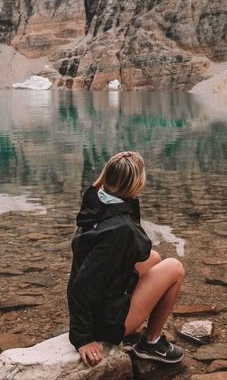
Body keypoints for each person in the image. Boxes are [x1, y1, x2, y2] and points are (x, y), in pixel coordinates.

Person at [67, 150, 185, 367]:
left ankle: (134, 321)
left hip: (101, 302)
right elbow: (81, 286)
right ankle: (151, 343)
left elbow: (94, 189)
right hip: (105, 324)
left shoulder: (94, 203)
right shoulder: (121, 228)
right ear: (136, 185)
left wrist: (110, 171)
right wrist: (83, 339)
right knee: (174, 268)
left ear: (106, 178)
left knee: (155, 258)